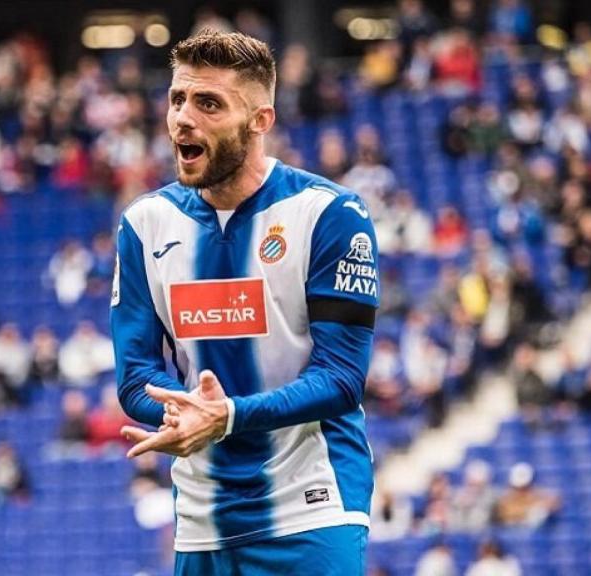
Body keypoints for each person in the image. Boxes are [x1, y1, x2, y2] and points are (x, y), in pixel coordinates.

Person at [112, 31, 379, 575]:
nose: (183, 119)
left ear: (260, 120)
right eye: (177, 99)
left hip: (313, 510)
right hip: (201, 520)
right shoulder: (144, 225)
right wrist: (184, 414)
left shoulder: (329, 215)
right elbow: (135, 377)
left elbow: (341, 378)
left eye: (209, 103)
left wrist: (227, 417)